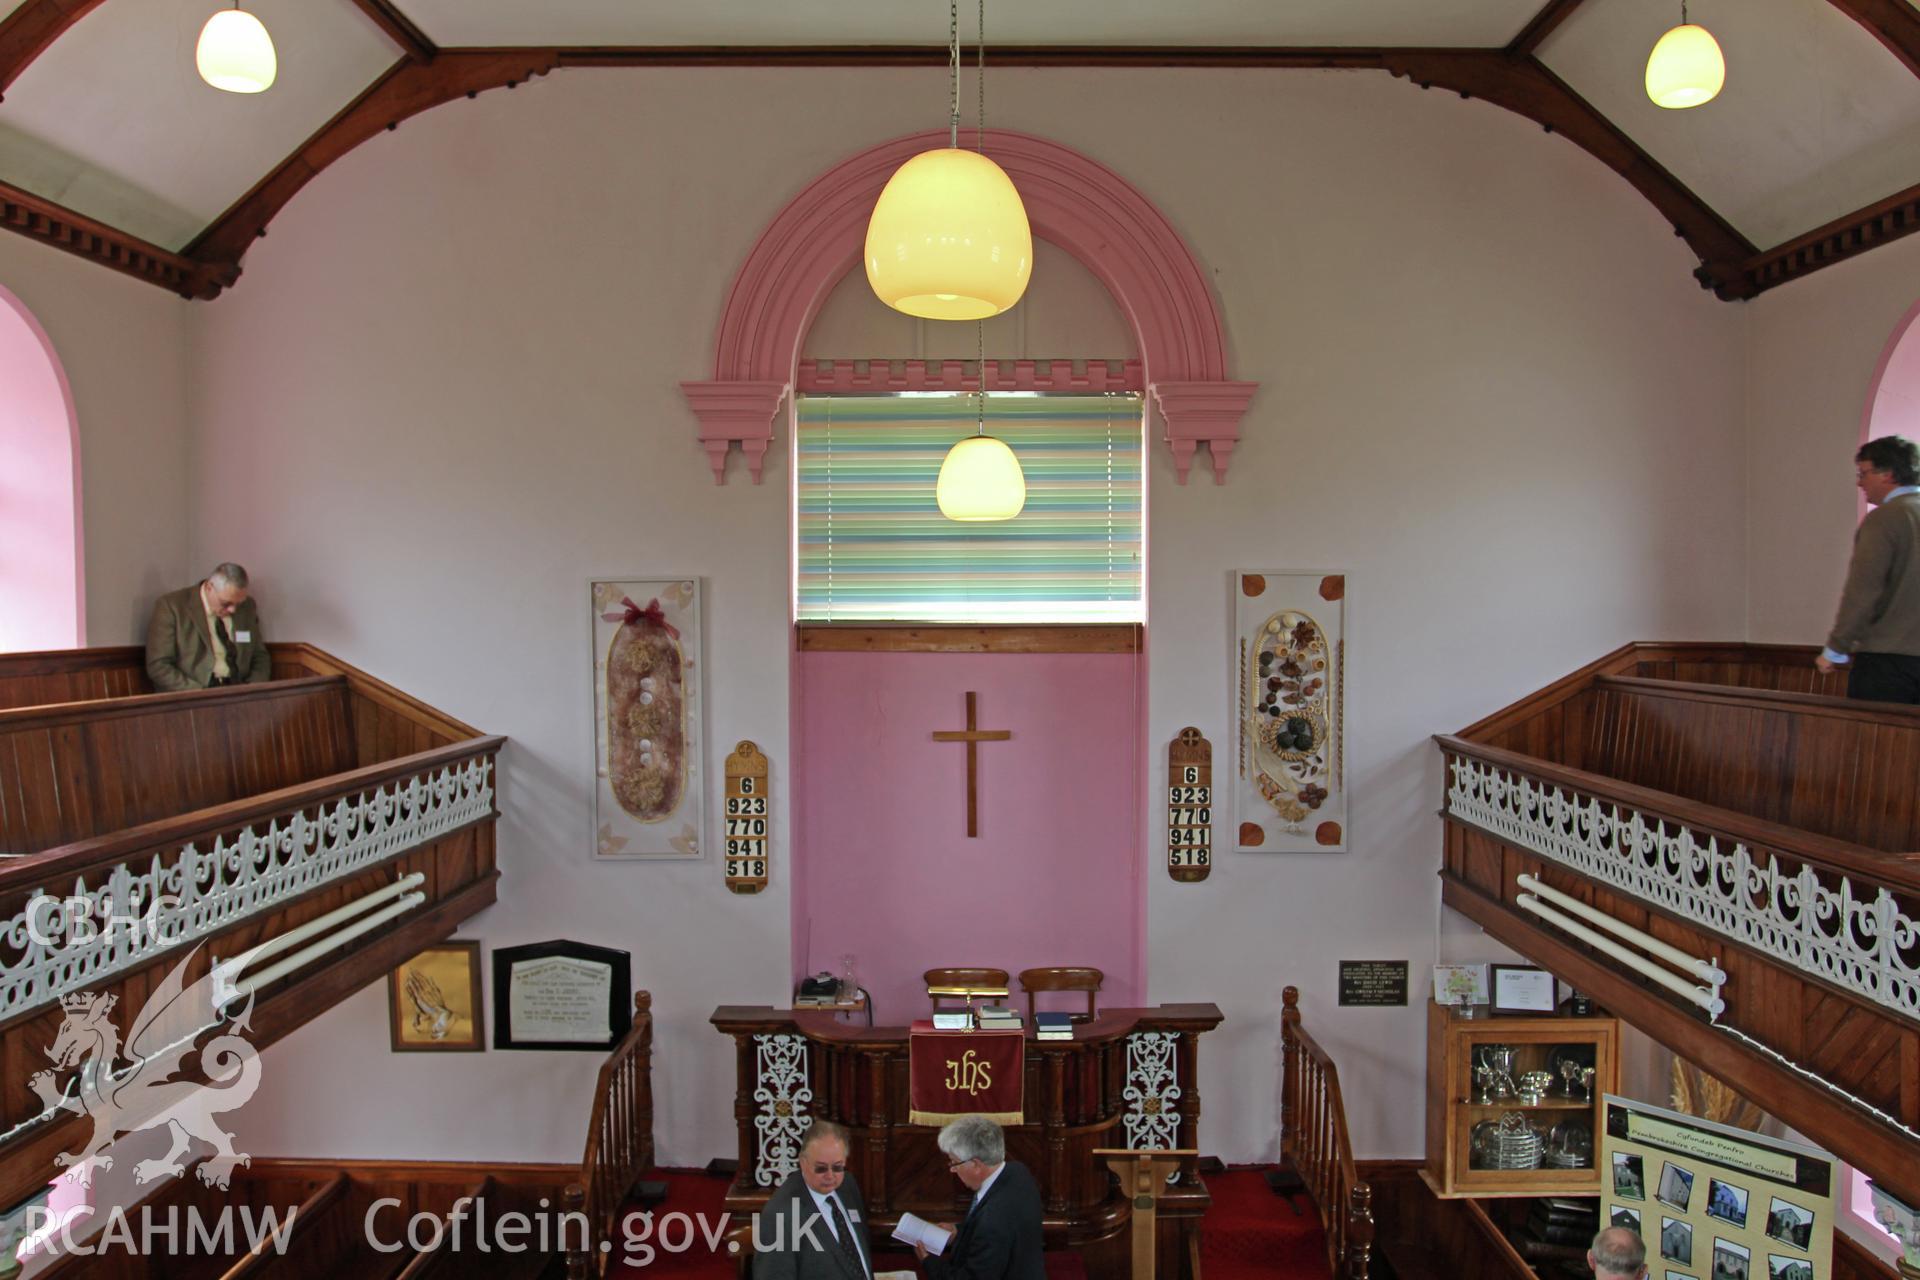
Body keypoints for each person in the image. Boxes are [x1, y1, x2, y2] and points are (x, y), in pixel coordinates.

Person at [1815, 435, 1920, 704]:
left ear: (1888, 474)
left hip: (1890, 662)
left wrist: (1836, 648)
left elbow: (1864, 590)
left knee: (1881, 744)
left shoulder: (1886, 518)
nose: (1859, 482)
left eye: (1864, 473)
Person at [918, 1115, 1044, 1280]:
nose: (952, 1170)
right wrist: (958, 1231)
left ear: (976, 1165)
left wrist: (928, 1261)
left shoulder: (993, 1221)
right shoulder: (1018, 1172)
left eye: (954, 1162)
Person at [754, 1120, 873, 1280]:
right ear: (803, 1163)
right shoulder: (780, 1215)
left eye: (838, 1167)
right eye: (821, 1168)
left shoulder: (848, 1185)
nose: (830, 1176)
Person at [145, 563, 271, 692]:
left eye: (238, 604)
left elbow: (260, 656)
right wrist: (199, 694)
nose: (233, 610)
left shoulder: (248, 607)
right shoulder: (172, 606)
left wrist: (253, 689)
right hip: (194, 694)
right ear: (209, 587)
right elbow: (158, 666)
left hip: (239, 692)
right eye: (225, 603)